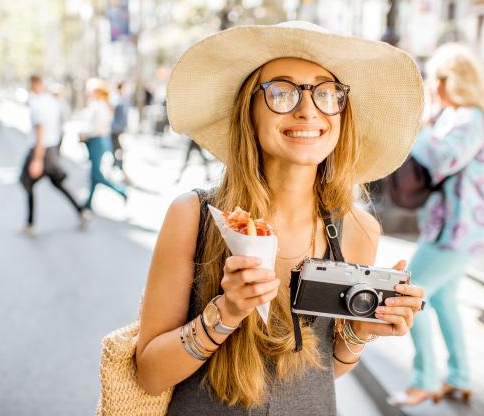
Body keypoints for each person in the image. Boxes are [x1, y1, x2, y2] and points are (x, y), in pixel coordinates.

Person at [135, 21, 426, 414]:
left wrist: (359, 332)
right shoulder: (194, 216)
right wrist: (226, 313)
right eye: (283, 92)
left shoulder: (358, 230)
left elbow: (322, 372)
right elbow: (150, 373)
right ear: (249, 110)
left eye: (326, 93)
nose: (308, 110)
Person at [390, 44, 484, 406]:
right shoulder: (463, 116)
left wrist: (420, 125)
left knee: (410, 294)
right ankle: (459, 376)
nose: (434, 87)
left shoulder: (470, 118)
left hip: (455, 230)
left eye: (438, 79)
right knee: (443, 300)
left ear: (455, 80)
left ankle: (424, 378)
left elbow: (442, 158)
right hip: (458, 227)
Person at [20, 75, 86, 234]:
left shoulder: (37, 104)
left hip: (40, 149)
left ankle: (30, 223)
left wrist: (37, 159)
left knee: (26, 182)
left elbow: (40, 130)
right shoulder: (52, 101)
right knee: (57, 183)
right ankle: (81, 210)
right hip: (51, 148)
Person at [80, 81, 127, 209]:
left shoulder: (99, 106)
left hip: (97, 140)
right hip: (98, 140)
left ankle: (120, 190)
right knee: (94, 174)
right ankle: (88, 203)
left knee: (96, 174)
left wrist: (85, 135)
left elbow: (96, 127)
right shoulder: (102, 106)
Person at [110, 81, 129, 171]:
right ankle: (117, 163)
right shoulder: (118, 98)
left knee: (116, 146)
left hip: (116, 127)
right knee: (116, 146)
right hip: (115, 127)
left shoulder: (119, 98)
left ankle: (117, 163)